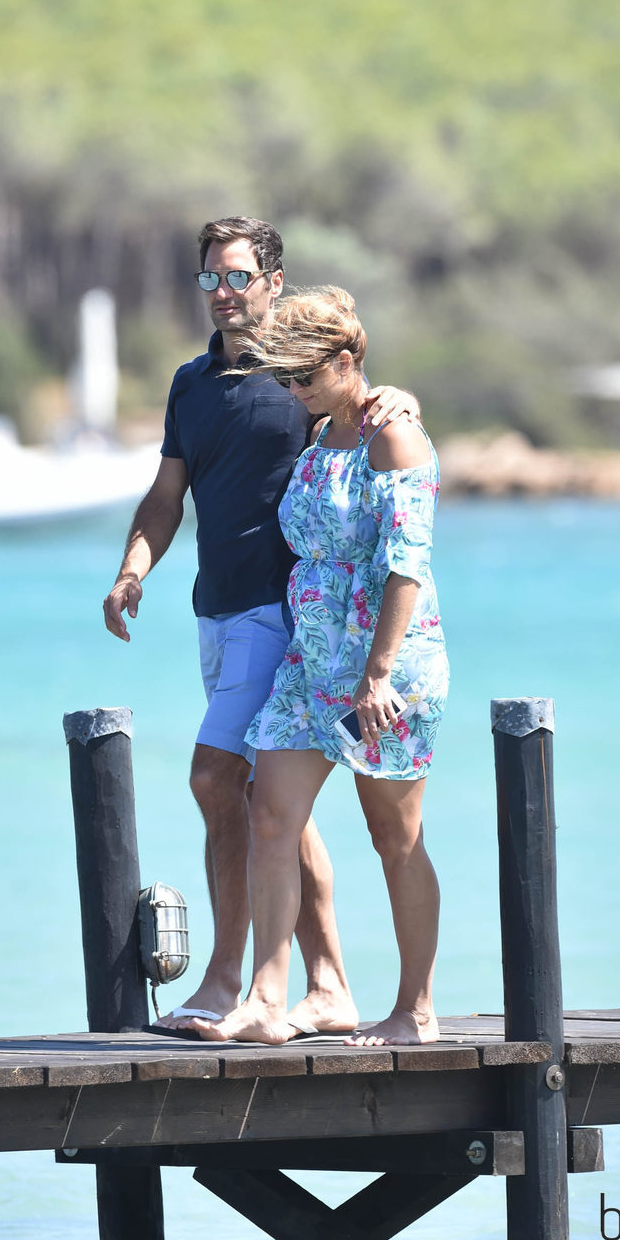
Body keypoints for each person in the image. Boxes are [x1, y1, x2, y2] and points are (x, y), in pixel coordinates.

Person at [102, 218, 418, 1035]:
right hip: (217, 607)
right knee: (272, 803)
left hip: (283, 615)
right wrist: (135, 566)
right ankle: (329, 985)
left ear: (274, 283)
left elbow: (367, 408)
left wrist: (398, 399)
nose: (222, 293)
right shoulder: (191, 383)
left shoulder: (300, 378)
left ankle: (225, 981)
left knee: (216, 779)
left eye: (238, 276)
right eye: (210, 278)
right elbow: (168, 496)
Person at [191, 286, 448, 1048]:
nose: (293, 392)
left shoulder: (393, 437)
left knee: (392, 836)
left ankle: (416, 1010)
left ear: (345, 362)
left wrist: (377, 675)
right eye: (287, 380)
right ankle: (270, 1001)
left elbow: (406, 566)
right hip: (312, 662)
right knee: (269, 812)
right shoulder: (321, 430)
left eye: (305, 378)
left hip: (387, 671)